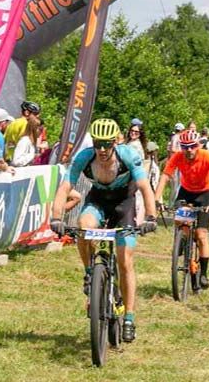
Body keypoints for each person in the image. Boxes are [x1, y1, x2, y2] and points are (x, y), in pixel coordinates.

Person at [51, 118, 157, 343]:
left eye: (106, 144)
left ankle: (129, 318)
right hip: (98, 200)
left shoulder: (127, 155)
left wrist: (151, 217)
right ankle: (90, 273)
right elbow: (65, 187)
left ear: (115, 142)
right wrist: (56, 218)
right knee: (83, 227)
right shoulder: (84, 157)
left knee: (125, 260)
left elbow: (144, 187)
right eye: (97, 143)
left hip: (123, 204)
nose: (101, 149)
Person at [153, 129, 209, 289]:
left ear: (198, 145)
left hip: (204, 194)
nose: (189, 150)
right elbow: (165, 176)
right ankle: (182, 241)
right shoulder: (178, 156)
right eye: (185, 147)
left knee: (201, 235)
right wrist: (157, 199)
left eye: (192, 146)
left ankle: (203, 273)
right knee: (180, 220)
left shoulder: (206, 156)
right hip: (186, 192)